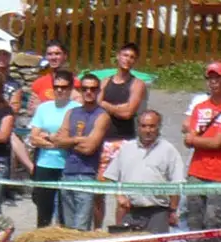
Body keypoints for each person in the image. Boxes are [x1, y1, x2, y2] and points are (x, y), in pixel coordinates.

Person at [176, 62, 221, 242]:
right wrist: (198, 140)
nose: (213, 82)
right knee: (194, 215)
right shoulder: (199, 107)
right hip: (196, 169)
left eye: (218, 78)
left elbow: (218, 142)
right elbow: (188, 139)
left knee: (213, 216)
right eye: (210, 78)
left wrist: (196, 140)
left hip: (218, 171)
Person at [95, 41, 147, 226]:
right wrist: (115, 108)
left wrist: (106, 106)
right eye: (125, 55)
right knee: (97, 193)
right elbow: (95, 103)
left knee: (123, 196)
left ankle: (119, 230)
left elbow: (128, 112)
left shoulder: (137, 84)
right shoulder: (106, 81)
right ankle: (96, 231)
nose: (128, 60)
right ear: (118, 56)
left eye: (132, 57)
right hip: (103, 141)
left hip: (124, 141)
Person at [107, 110, 183, 234]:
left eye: (152, 126)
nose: (148, 130)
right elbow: (111, 177)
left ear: (159, 127)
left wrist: (173, 210)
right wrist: (119, 195)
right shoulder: (126, 148)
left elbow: (177, 182)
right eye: (144, 126)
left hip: (158, 212)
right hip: (130, 211)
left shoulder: (169, 150)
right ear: (138, 127)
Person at [55, 73, 110, 230]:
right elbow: (59, 141)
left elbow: (90, 148)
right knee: (68, 226)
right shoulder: (71, 113)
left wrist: (69, 141)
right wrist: (79, 140)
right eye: (85, 88)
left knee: (81, 227)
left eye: (93, 89)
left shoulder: (102, 116)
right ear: (79, 90)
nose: (88, 92)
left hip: (87, 174)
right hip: (67, 173)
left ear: (98, 91)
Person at [27, 64, 76, 228]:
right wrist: (54, 139)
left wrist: (47, 137)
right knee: (43, 209)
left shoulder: (76, 109)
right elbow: (33, 138)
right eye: (56, 87)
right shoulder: (43, 108)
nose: (60, 90)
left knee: (65, 210)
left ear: (70, 88)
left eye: (64, 87)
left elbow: (72, 139)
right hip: (45, 164)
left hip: (67, 164)